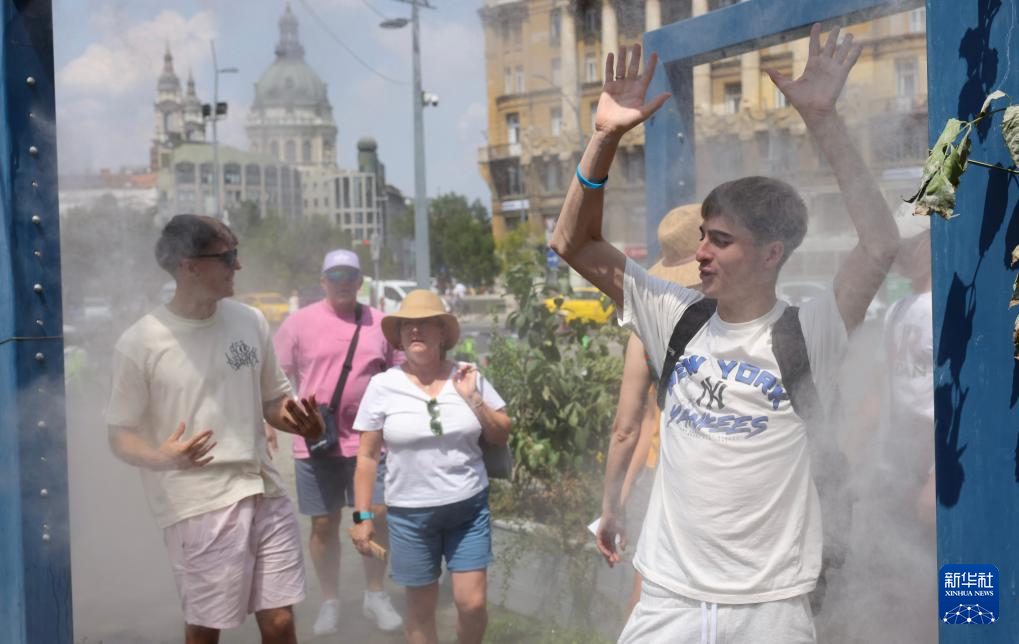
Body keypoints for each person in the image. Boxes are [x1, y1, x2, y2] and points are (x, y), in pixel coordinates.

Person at [551, 26, 899, 643]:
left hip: (771, 609)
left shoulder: (810, 330)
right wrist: (604, 136)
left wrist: (823, 120)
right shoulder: (675, 314)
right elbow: (571, 243)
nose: (701, 253)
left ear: (771, 253)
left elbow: (878, 245)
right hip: (668, 598)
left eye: (721, 240)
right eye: (702, 236)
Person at [106, 214, 325, 644]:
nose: (237, 266)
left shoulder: (250, 321)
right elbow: (119, 435)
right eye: (227, 257)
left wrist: (301, 423)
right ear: (188, 266)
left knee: (281, 623)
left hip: (264, 488)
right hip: (198, 503)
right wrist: (160, 457)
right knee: (207, 629)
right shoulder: (140, 342)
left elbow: (273, 400)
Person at [349, 290, 511, 644]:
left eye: (424, 324)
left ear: (442, 333)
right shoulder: (383, 385)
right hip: (410, 516)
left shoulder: (467, 375)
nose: (415, 331)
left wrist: (474, 398)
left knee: (472, 605)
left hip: (467, 510)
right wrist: (362, 517)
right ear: (399, 336)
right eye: (407, 325)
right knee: (421, 611)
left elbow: (501, 434)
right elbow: (367, 456)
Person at [272, 249, 404, 634]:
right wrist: (271, 421)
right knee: (324, 523)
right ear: (323, 281)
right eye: (335, 276)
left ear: (360, 282)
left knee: (375, 514)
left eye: (349, 276)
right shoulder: (298, 323)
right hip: (317, 443)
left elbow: (399, 376)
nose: (342, 283)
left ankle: (375, 593)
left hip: (369, 442)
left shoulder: (380, 324)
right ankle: (330, 600)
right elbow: (275, 378)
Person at [601, 204, 702, 618]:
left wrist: (613, 507)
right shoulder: (745, 323)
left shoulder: (648, 332)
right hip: (730, 482)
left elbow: (628, 428)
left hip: (667, 478)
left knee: (650, 599)